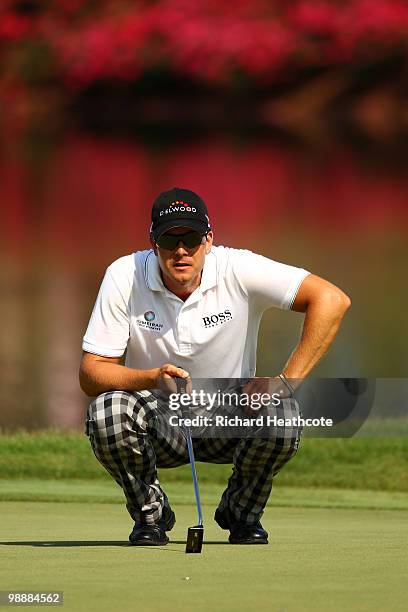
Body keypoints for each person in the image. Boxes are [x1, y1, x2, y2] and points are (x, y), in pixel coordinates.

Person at [79, 187, 350, 546]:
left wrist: (286, 382)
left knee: (283, 413)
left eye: (190, 239)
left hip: (228, 417)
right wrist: (152, 379)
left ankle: (242, 513)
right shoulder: (123, 275)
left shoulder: (238, 267)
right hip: (158, 419)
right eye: (168, 240)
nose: (180, 251)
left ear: (208, 239)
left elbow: (331, 300)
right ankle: (151, 514)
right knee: (106, 412)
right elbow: (91, 372)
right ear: (152, 242)